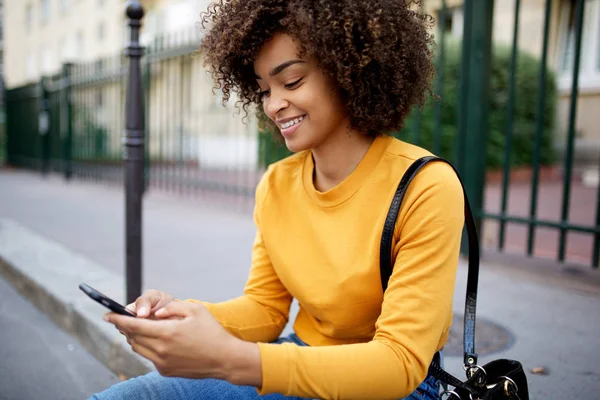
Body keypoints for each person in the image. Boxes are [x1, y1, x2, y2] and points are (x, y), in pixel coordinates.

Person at [92, 0, 464, 398]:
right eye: (264, 89)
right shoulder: (277, 184)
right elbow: (266, 310)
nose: (273, 105)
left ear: (350, 71)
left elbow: (398, 363)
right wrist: (182, 316)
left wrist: (231, 360)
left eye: (292, 82)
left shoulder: (425, 186)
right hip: (298, 358)